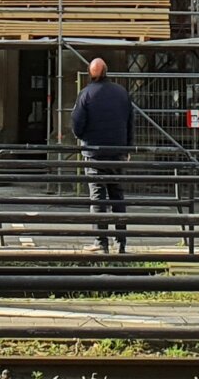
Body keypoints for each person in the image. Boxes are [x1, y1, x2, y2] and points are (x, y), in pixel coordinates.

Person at [70, 58, 133, 253]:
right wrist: (127, 147)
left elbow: (77, 124)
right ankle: (121, 243)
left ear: (90, 74)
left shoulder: (86, 94)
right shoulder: (122, 93)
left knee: (98, 197)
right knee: (117, 196)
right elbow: (130, 121)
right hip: (117, 152)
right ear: (107, 71)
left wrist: (83, 137)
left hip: (94, 152)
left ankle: (101, 242)